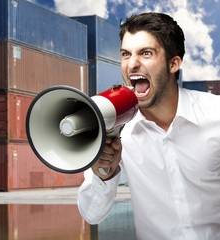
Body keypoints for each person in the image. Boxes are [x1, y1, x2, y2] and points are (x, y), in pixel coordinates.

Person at [77, 12, 220, 239]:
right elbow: (92, 215)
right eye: (126, 54)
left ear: (174, 63)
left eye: (146, 53)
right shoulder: (116, 127)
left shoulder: (216, 115)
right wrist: (104, 174)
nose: (132, 64)